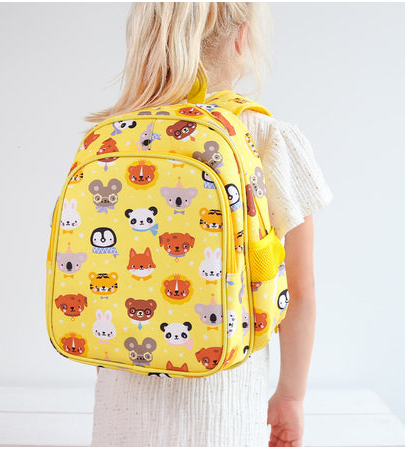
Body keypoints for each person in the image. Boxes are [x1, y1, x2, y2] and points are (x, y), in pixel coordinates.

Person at [89, 3, 332, 447]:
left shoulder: (118, 136)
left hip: (120, 411)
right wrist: (291, 396)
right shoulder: (265, 136)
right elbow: (301, 291)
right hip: (221, 411)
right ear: (240, 40)